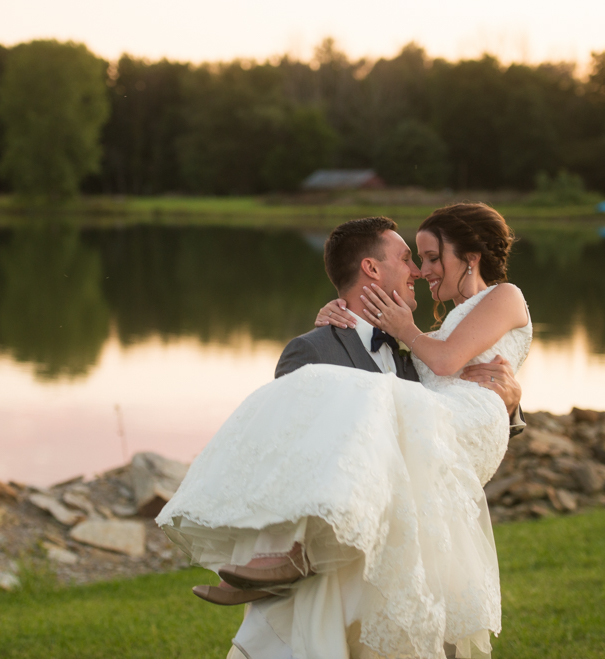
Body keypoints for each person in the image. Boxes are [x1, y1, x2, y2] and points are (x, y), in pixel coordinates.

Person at [157, 203, 532, 659]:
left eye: (430, 258)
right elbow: (292, 453)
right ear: (371, 269)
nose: (419, 270)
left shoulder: (419, 345)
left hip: (415, 497)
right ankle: (273, 562)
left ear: (469, 257)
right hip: (343, 539)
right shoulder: (313, 351)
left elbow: (454, 381)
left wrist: (510, 405)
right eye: (411, 259)